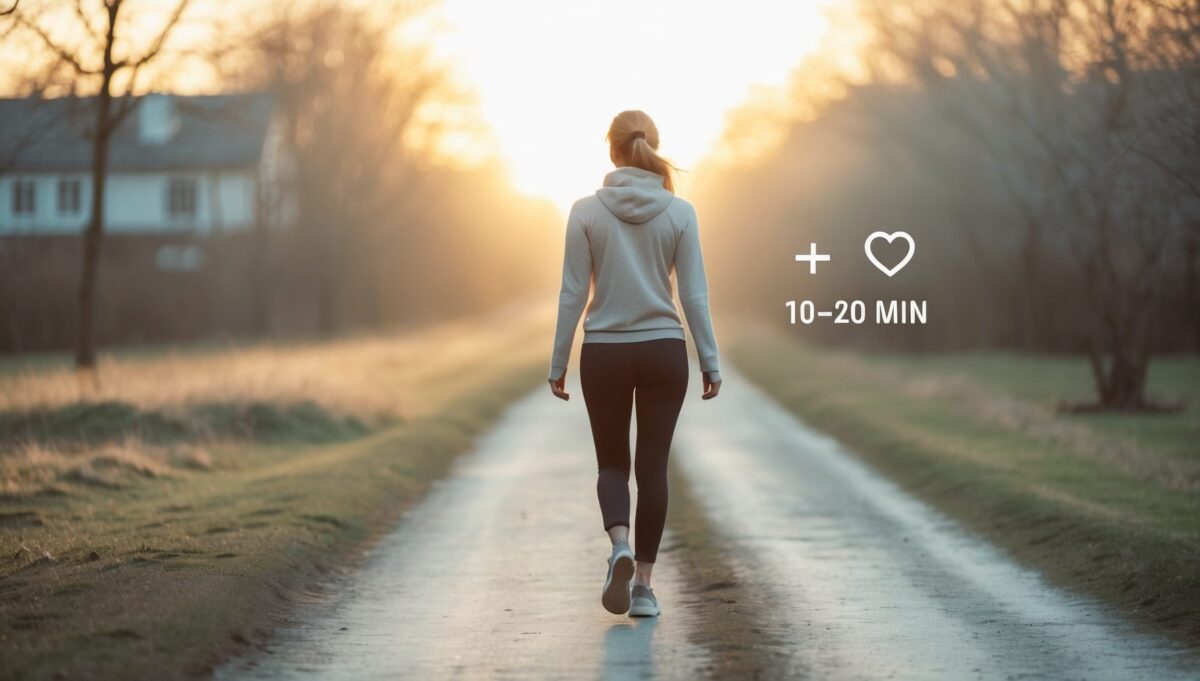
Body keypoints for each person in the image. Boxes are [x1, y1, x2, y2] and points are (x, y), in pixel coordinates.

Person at [548, 110, 721, 618]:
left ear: (612, 150)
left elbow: (572, 293)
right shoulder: (681, 212)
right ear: (651, 146)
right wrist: (709, 359)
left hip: (604, 351)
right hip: (664, 350)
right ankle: (643, 586)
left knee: (611, 463)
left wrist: (559, 359)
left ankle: (619, 544)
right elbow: (693, 293)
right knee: (653, 467)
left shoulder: (584, 211)